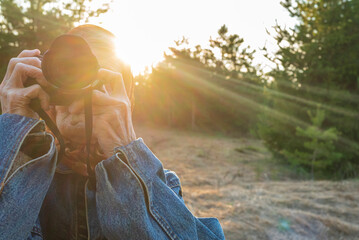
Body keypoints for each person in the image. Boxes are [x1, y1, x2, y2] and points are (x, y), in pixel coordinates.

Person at [0, 25, 225, 240]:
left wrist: (126, 158)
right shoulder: (31, 177)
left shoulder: (161, 185)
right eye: (69, 82)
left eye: (100, 85)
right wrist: (17, 136)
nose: (82, 99)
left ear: (127, 101)